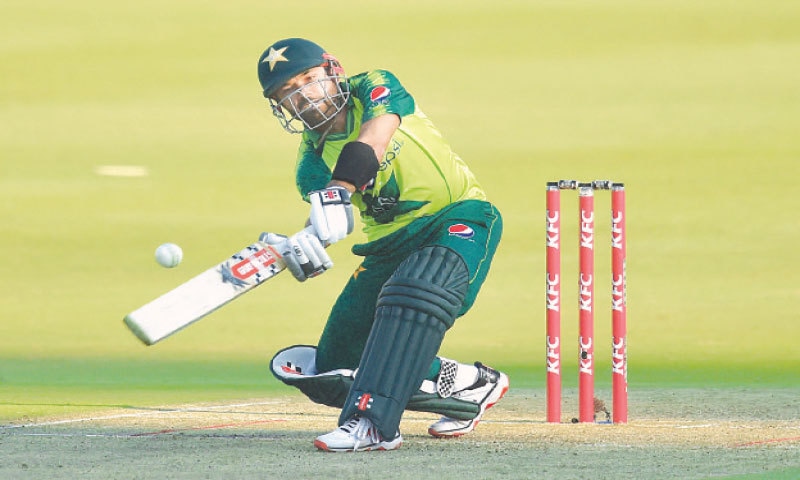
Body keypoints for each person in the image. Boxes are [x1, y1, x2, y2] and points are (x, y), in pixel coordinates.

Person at [257, 38, 508, 452]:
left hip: (459, 217)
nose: (303, 96)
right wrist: (305, 244)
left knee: (414, 290)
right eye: (287, 92)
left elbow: (372, 141)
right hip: (388, 246)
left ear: (333, 70)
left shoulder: (375, 86)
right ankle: (470, 385)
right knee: (332, 367)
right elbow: (328, 216)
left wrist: (338, 190)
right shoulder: (311, 166)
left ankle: (373, 425)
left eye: (308, 80)